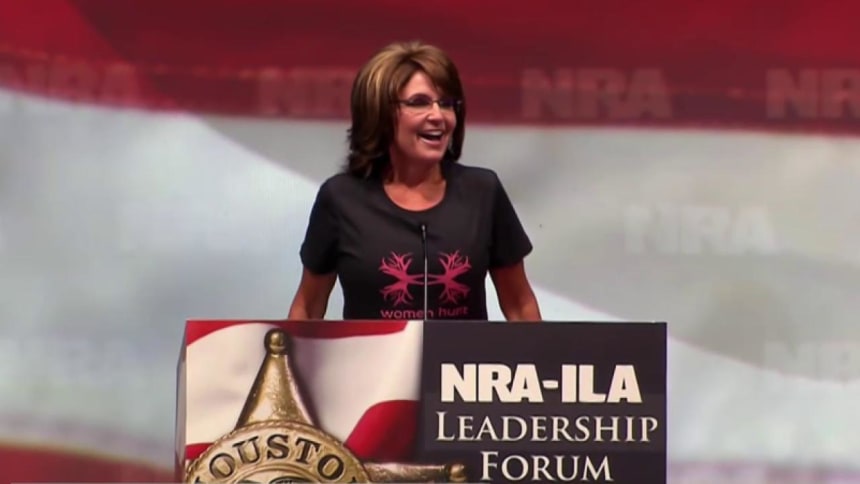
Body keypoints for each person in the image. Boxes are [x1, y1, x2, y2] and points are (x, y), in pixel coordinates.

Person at [287, 40, 541, 322]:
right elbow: (308, 308)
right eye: (419, 103)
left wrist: (542, 351)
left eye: (447, 104)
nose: (438, 116)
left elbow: (520, 306)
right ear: (380, 112)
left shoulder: (482, 192)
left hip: (460, 353)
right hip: (374, 353)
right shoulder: (340, 198)